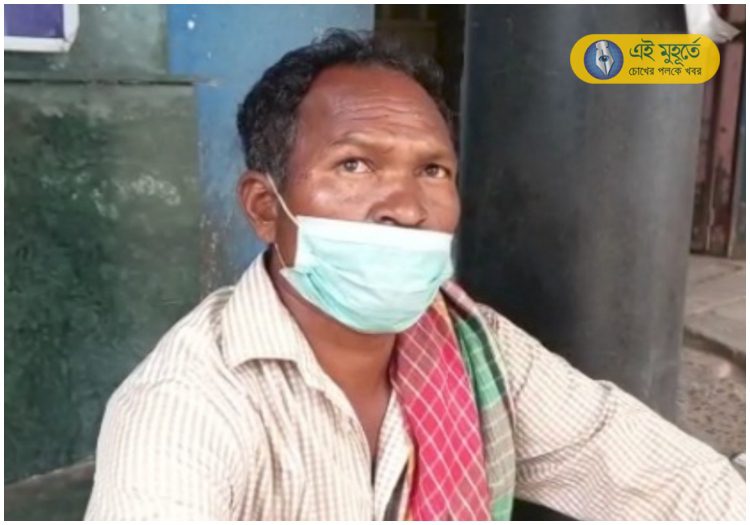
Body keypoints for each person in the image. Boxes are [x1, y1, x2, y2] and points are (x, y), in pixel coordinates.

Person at [84, 30, 745, 521]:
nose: (404, 206)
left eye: (432, 170)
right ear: (264, 206)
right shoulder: (185, 407)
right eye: (354, 165)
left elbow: (650, 471)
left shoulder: (472, 345)